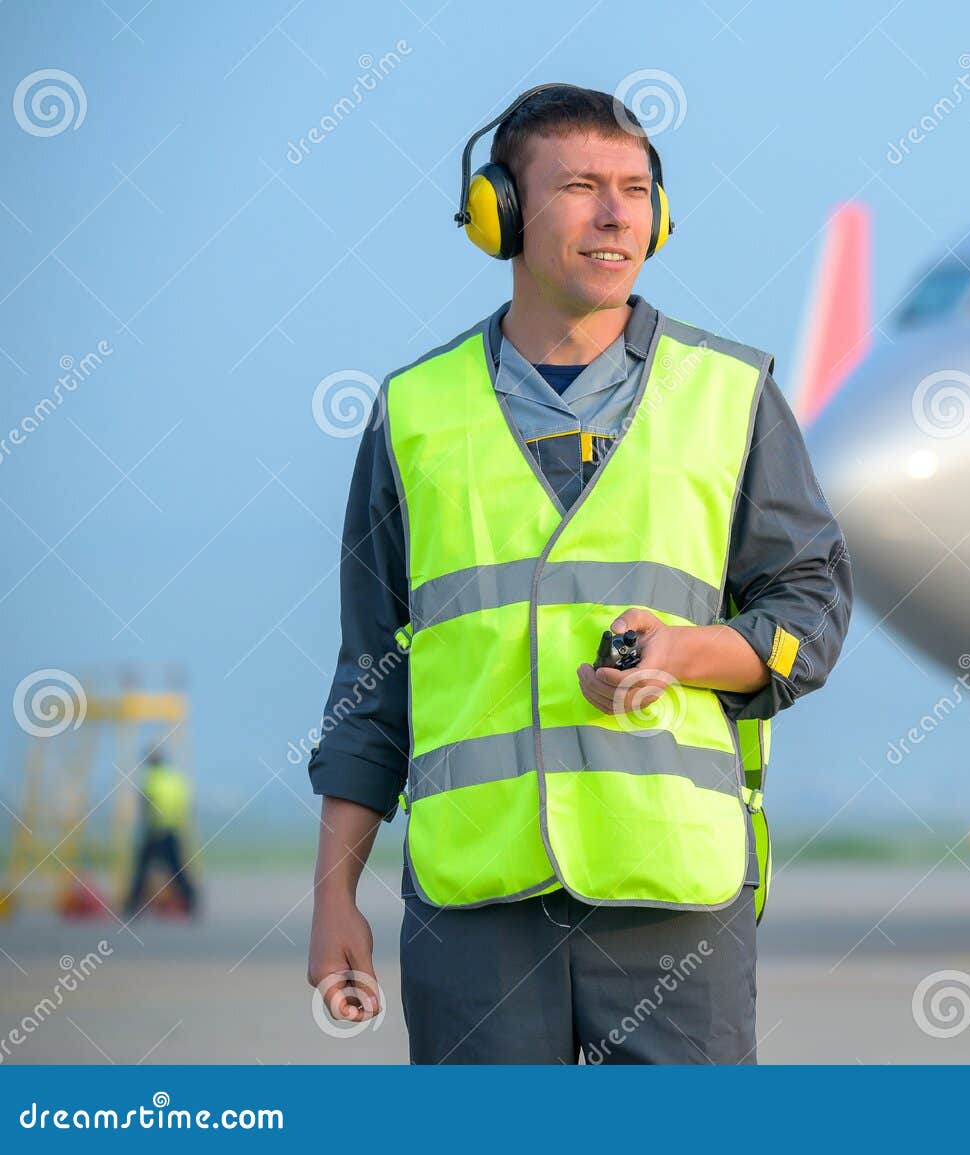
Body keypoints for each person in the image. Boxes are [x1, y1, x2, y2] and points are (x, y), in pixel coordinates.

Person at [304, 83, 851, 1064]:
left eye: (635, 189)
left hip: (671, 904)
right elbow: (370, 679)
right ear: (497, 213)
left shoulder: (730, 395)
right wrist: (332, 897)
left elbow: (811, 609)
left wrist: (688, 653)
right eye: (580, 188)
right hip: (474, 909)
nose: (615, 216)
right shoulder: (414, 413)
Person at [123, 745, 198, 919]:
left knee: (141, 870)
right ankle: (191, 902)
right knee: (177, 870)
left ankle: (132, 906)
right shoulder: (175, 779)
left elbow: (145, 805)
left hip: (155, 831)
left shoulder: (151, 779)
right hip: (173, 830)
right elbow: (185, 804)